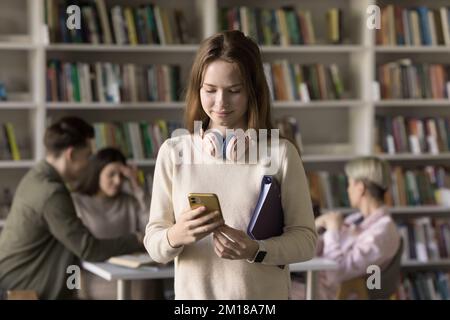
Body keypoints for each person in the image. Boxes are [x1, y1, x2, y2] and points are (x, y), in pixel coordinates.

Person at [144, 30, 317, 299]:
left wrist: (256, 249)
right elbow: (154, 244)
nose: (221, 103)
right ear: (197, 90)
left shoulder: (281, 154)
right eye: (210, 91)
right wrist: (176, 235)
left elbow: (306, 242)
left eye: (234, 91)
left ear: (253, 92)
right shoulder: (172, 152)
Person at [0, 117, 144, 299]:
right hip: (24, 289)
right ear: (71, 154)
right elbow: (89, 249)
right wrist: (137, 240)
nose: (90, 163)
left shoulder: (36, 176)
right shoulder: (52, 193)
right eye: (88, 156)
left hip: (14, 280)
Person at [292, 156, 401, 299]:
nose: (348, 190)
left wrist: (333, 230)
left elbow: (336, 271)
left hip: (330, 293)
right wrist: (316, 225)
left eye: (349, 184)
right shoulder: (355, 220)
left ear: (360, 188)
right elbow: (310, 252)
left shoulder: (383, 232)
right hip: (310, 284)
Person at [72, 147, 160, 299]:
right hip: (95, 274)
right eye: (111, 174)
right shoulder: (77, 201)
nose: (118, 181)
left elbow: (153, 228)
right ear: (97, 173)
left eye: (121, 175)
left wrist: (137, 186)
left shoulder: (131, 201)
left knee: (148, 284)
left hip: (132, 271)